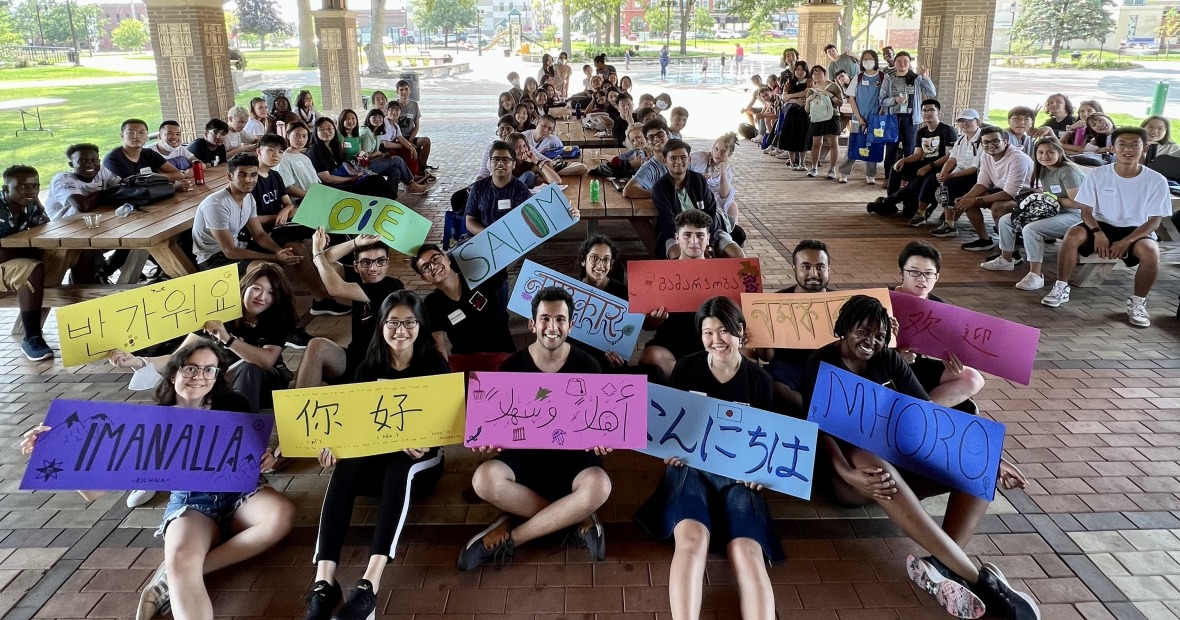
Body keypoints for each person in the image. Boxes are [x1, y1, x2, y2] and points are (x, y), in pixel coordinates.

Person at [800, 296, 1039, 620]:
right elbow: (818, 430)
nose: (871, 342)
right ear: (844, 329)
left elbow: (929, 420)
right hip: (852, 475)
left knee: (977, 459)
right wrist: (845, 472)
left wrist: (990, 460)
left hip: (900, 461)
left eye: (880, 336)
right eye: (863, 332)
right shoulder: (821, 363)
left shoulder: (888, 360)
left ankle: (942, 568)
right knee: (865, 454)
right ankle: (978, 581)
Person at [24, 340, 294, 620]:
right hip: (193, 502)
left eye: (209, 370)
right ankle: (178, 571)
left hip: (241, 492)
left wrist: (268, 458)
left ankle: (172, 577)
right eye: (191, 368)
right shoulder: (150, 424)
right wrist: (50, 450)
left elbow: (256, 455)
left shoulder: (234, 405)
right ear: (174, 373)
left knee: (280, 516)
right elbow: (92, 492)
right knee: (179, 558)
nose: (199, 377)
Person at [303, 291, 449, 620]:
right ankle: (323, 582)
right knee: (345, 467)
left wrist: (425, 438)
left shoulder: (434, 364)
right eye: (393, 322)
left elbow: (447, 420)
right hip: (375, 457)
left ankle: (370, 585)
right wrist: (334, 447)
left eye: (409, 322)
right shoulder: (369, 366)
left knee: (401, 466)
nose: (401, 330)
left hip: (419, 462)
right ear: (381, 325)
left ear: (420, 325)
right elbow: (356, 424)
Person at [634, 296, 781, 620]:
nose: (716, 340)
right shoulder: (687, 368)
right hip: (692, 469)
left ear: (740, 331)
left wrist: (761, 473)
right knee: (691, 539)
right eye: (708, 332)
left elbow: (770, 440)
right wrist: (669, 452)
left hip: (741, 476)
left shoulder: (760, 381)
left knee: (745, 550)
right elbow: (673, 426)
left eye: (724, 331)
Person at [458, 286, 611, 570]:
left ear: (571, 324)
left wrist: (602, 439)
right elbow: (495, 425)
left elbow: (600, 424)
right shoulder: (510, 368)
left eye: (560, 319)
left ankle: (514, 535)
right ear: (532, 324)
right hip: (524, 459)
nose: (552, 327)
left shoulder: (589, 366)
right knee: (483, 479)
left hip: (574, 460)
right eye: (545, 318)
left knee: (600, 486)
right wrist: (490, 440)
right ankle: (575, 518)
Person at [110, 261, 297, 411]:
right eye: (257, 288)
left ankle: (242, 427)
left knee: (249, 368)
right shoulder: (219, 313)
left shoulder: (276, 318)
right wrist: (138, 361)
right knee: (189, 370)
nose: (262, 297)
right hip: (221, 381)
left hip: (265, 382)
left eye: (271, 293)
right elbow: (179, 358)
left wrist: (228, 339)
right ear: (245, 286)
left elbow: (266, 361)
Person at [1041, 127, 1171, 328]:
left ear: (1144, 148)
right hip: (1100, 224)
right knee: (1073, 234)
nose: (1128, 150)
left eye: (1134, 145)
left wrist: (1126, 241)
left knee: (1151, 250)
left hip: (1135, 228)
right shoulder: (1098, 175)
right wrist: (1098, 233)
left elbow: (1154, 221)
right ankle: (1060, 287)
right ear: (1113, 147)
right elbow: (1086, 210)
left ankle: (1138, 303)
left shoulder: (1156, 180)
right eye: (1122, 145)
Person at [297, 231, 404, 390]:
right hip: (355, 360)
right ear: (356, 266)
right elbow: (326, 260)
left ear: (387, 263)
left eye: (380, 261)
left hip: (380, 369)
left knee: (302, 376)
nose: (374, 268)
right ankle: (297, 408)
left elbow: (335, 288)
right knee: (316, 346)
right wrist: (355, 242)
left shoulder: (392, 287)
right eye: (366, 262)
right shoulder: (359, 280)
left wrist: (316, 252)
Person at [981, 137, 1087, 291]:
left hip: (1076, 215)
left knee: (1031, 229)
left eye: (1051, 152)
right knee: (1006, 220)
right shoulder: (1044, 169)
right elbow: (1048, 194)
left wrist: (1050, 198)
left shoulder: (1068, 171)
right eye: (1041, 152)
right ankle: (1006, 259)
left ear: (1059, 152)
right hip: (1053, 210)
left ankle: (1035, 275)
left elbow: (1078, 203)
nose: (1045, 156)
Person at [891, 242, 986, 409]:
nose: (922, 279)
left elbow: (952, 344)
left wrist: (952, 360)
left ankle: (919, 414)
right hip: (884, 370)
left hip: (915, 369)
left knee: (973, 378)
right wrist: (894, 357)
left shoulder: (939, 308)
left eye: (928, 273)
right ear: (901, 272)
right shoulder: (882, 302)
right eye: (914, 272)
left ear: (937, 277)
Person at [190, 153, 302, 275]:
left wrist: (279, 251)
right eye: (242, 175)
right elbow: (230, 251)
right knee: (265, 270)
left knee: (297, 250)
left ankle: (321, 293)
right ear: (230, 176)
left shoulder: (248, 198)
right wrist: (274, 257)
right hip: (213, 259)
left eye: (253, 175)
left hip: (239, 246)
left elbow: (259, 234)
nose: (249, 180)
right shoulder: (216, 205)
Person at [755, 239, 832, 415]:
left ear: (829, 269)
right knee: (774, 388)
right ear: (795, 269)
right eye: (805, 267)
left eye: (820, 267)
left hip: (828, 369)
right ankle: (817, 423)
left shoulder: (843, 304)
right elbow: (766, 356)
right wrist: (760, 337)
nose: (813, 273)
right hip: (786, 370)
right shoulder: (775, 303)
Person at [638, 209, 715, 380]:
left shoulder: (723, 274)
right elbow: (648, 325)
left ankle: (688, 381)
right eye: (687, 235)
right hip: (672, 342)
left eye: (700, 236)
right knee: (650, 357)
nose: (694, 241)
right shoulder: (661, 274)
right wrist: (657, 318)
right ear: (677, 237)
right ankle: (701, 381)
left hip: (713, 341)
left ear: (708, 238)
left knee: (746, 354)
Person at [412, 244, 515, 362]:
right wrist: (444, 372)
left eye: (435, 259)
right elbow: (438, 344)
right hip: (468, 361)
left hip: (503, 354)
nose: (433, 266)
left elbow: (506, 250)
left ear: (447, 258)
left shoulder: (478, 276)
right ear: (424, 278)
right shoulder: (432, 304)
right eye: (426, 267)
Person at [940, 126, 1034, 251]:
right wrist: (965, 198)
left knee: (998, 207)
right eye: (986, 142)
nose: (991, 145)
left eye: (995, 141)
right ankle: (984, 240)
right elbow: (982, 183)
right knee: (968, 199)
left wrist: (975, 200)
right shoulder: (986, 156)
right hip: (1005, 191)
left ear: (1005, 142)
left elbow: (1009, 194)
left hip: (1029, 196)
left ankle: (1009, 252)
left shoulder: (1017, 158)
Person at [652, 139, 743, 259]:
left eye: (683, 157)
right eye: (673, 158)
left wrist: (709, 243)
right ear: (665, 161)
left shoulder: (698, 180)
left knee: (738, 255)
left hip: (708, 232)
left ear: (689, 160)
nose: (678, 161)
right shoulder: (660, 187)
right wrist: (691, 244)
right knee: (677, 255)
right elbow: (668, 222)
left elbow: (711, 212)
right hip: (676, 234)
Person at [868, 99, 957, 221]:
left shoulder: (947, 130)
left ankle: (888, 202)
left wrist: (928, 166)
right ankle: (891, 205)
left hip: (940, 167)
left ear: (939, 113)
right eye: (924, 110)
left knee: (917, 182)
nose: (927, 113)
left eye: (931, 110)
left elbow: (949, 156)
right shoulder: (921, 132)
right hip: (924, 164)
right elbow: (917, 155)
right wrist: (903, 160)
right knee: (897, 167)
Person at [0, 165, 53, 361]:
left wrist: (37, 203)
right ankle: (32, 338)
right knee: (31, 268)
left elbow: (45, 225)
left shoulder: (28, 204)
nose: (30, 191)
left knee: (60, 254)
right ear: (6, 189)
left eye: (35, 186)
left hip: (10, 260)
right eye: (22, 186)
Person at [306, 117, 398, 200]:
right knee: (376, 181)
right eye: (322, 129)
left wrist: (361, 163)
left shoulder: (338, 144)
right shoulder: (315, 150)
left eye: (330, 128)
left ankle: (390, 204)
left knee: (378, 179)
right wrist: (351, 179)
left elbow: (355, 155)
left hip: (347, 173)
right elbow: (326, 178)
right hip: (332, 186)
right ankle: (390, 204)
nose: (326, 132)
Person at [879, 52, 937, 179]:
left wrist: (926, 78)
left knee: (910, 150)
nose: (902, 64)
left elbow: (931, 93)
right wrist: (894, 100)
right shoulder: (889, 78)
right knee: (890, 150)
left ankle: (907, 178)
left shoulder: (916, 78)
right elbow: (881, 100)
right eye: (899, 61)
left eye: (905, 61)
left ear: (910, 63)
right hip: (893, 119)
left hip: (911, 119)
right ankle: (889, 178)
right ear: (895, 63)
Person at [926, 110, 984, 234]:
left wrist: (950, 175)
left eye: (968, 120)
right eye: (961, 121)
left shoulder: (982, 140)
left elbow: (975, 168)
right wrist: (943, 173)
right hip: (961, 172)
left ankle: (950, 224)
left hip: (977, 176)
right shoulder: (961, 139)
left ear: (977, 122)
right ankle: (922, 213)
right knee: (932, 179)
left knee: (948, 184)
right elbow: (952, 158)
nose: (964, 124)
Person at [464, 141, 534, 236]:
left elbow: (527, 222)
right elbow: (470, 220)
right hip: (482, 239)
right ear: (490, 163)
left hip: (512, 240)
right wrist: (488, 235)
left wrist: (503, 237)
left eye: (505, 160)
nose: (500, 163)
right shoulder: (478, 187)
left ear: (513, 164)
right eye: (496, 159)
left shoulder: (521, 190)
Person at [838, 50, 886, 184]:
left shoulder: (882, 77)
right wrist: (858, 117)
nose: (867, 62)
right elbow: (851, 98)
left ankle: (871, 174)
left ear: (875, 60)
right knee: (854, 144)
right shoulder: (858, 77)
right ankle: (844, 172)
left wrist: (879, 115)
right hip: (857, 118)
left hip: (876, 119)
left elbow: (885, 98)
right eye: (864, 60)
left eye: (870, 59)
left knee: (874, 144)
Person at [358, 109, 427, 195]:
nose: (377, 119)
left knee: (396, 171)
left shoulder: (377, 132)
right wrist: (377, 153)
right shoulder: (366, 132)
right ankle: (411, 184)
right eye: (374, 116)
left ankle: (390, 196)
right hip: (365, 167)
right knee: (397, 160)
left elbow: (399, 137)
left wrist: (382, 155)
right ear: (368, 118)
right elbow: (364, 156)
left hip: (373, 162)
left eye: (380, 117)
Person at [46, 143, 121, 221]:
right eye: (82, 161)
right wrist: (107, 193)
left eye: (94, 160)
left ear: (99, 161)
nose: (89, 164)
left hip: (94, 217)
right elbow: (83, 206)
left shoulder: (101, 170)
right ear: (71, 164)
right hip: (64, 224)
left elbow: (122, 184)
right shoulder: (62, 180)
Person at [689, 133, 740, 242]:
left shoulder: (727, 169)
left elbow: (724, 195)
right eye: (716, 149)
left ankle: (731, 236)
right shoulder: (698, 157)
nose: (718, 153)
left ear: (730, 153)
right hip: (696, 195)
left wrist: (723, 171)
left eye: (723, 151)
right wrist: (698, 178)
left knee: (732, 206)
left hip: (716, 200)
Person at [103, 118, 187, 181]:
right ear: (122, 136)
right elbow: (130, 185)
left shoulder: (148, 153)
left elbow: (179, 174)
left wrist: (155, 177)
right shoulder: (113, 159)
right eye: (131, 132)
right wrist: (154, 178)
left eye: (141, 132)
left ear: (147, 136)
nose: (137, 136)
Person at [804, 65, 843, 179]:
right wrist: (808, 100)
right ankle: (814, 167)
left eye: (819, 72)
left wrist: (830, 96)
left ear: (824, 73)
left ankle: (832, 169)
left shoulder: (833, 86)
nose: (817, 74)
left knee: (833, 144)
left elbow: (840, 102)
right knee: (816, 143)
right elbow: (807, 110)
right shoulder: (811, 90)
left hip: (832, 116)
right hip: (816, 118)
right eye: (814, 73)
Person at [622, 119, 671, 199]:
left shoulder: (681, 157)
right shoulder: (649, 166)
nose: (656, 139)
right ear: (648, 141)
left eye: (660, 134)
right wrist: (662, 194)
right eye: (651, 137)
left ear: (668, 136)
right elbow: (628, 190)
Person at [394, 79, 434, 172]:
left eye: (406, 89)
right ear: (397, 91)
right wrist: (406, 142)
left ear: (410, 90)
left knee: (426, 141)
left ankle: (422, 167)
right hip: (398, 138)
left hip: (410, 137)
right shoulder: (394, 106)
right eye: (401, 90)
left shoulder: (414, 105)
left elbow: (417, 125)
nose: (404, 92)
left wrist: (411, 139)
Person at [273, 122, 320, 202]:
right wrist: (312, 197)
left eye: (304, 136)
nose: (301, 139)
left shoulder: (305, 157)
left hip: (313, 197)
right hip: (299, 202)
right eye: (296, 135)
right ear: (288, 136)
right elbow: (289, 188)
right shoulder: (283, 159)